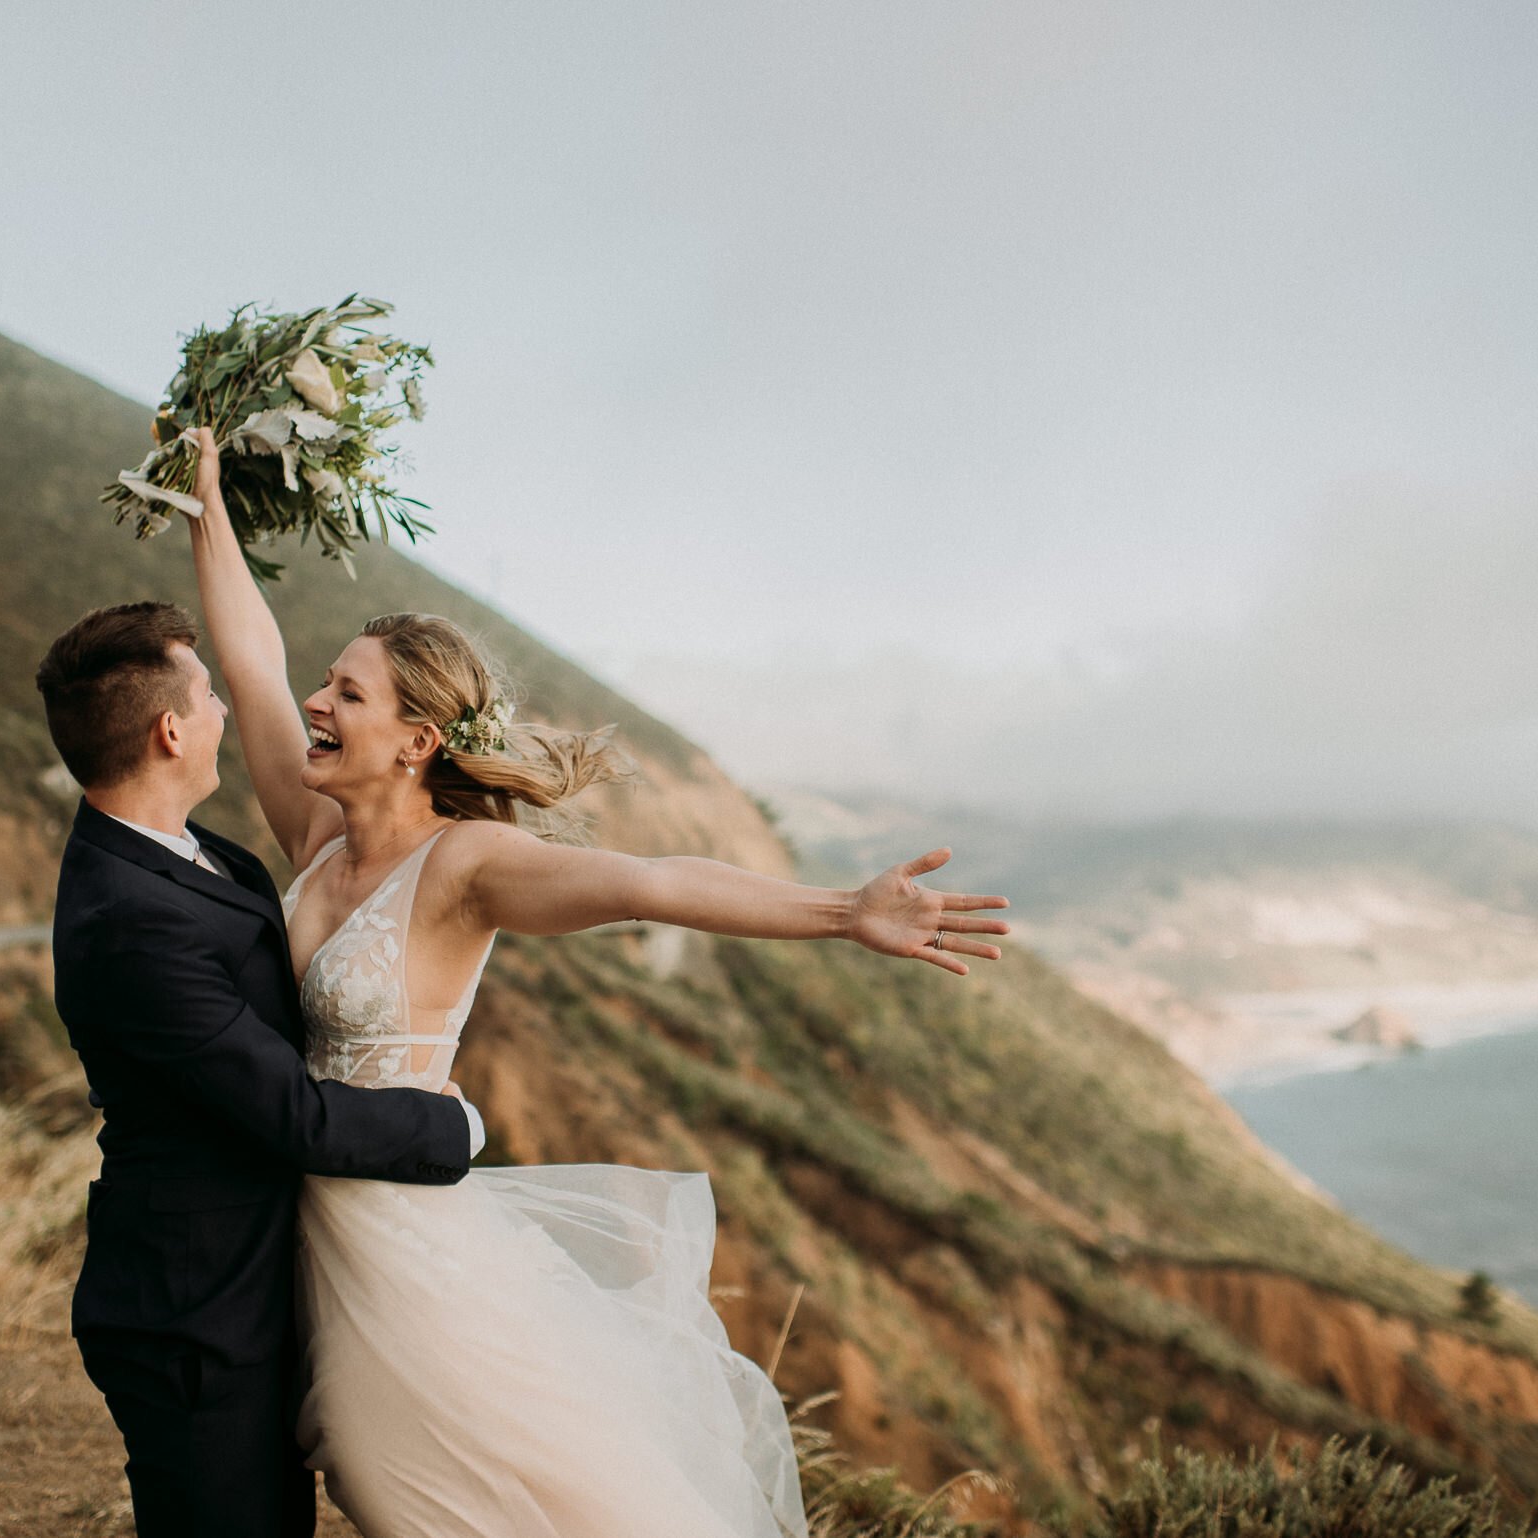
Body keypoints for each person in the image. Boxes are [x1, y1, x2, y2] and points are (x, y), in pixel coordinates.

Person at [179, 426, 1014, 1537]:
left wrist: (841, 914)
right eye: (325, 686)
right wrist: (205, 505)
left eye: (346, 693)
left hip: (402, 1254)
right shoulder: (318, 834)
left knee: (425, 1504)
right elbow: (247, 660)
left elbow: (649, 882)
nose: (315, 705)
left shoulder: (465, 865)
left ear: (417, 740)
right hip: (293, 1223)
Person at [37, 601, 492, 1538]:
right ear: (171, 732)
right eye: (208, 699)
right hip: (189, 1315)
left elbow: (253, 657)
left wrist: (211, 497)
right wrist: (456, 1127)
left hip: (261, 1283)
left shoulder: (199, 854)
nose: (233, 712)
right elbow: (297, 1118)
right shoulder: (129, 916)